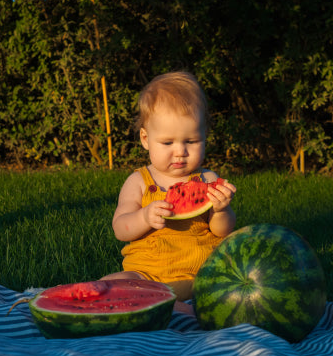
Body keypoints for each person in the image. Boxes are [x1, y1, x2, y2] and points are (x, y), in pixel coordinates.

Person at [101, 71, 237, 314]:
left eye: (191, 141)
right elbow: (120, 228)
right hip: (144, 273)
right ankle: (171, 307)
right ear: (145, 138)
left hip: (196, 274)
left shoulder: (208, 180)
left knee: (218, 289)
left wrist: (221, 209)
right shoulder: (138, 182)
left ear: (204, 137)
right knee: (108, 283)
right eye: (167, 143)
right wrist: (143, 217)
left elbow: (222, 231)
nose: (180, 152)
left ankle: (168, 307)